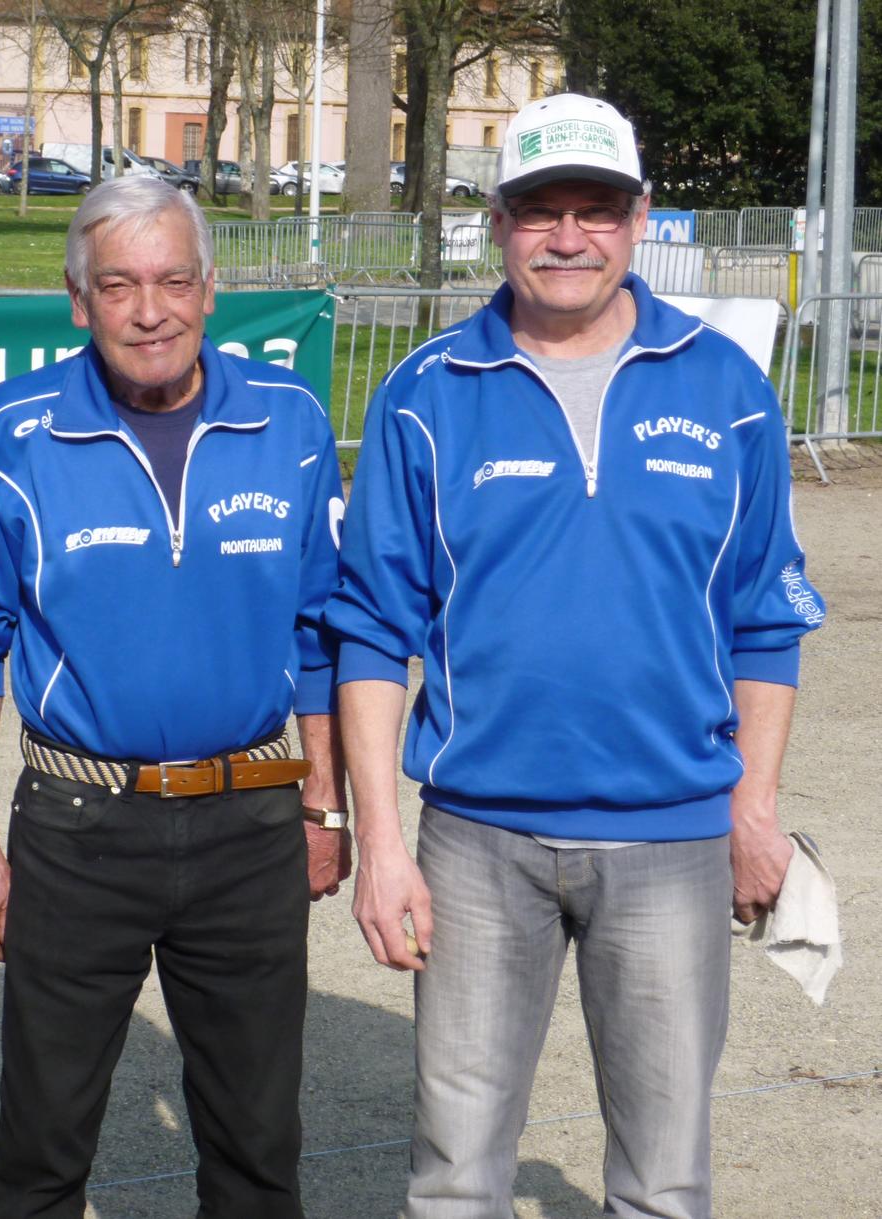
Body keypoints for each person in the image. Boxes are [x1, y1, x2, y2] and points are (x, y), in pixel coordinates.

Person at [325, 93, 826, 1218]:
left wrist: (754, 814)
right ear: (497, 224)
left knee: (663, 1178)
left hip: (672, 844)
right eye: (538, 209)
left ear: (639, 218)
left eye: (593, 209)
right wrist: (383, 847)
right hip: (474, 844)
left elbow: (766, 620)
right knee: (455, 1175)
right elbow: (368, 631)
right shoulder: (425, 397)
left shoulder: (727, 390)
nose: (567, 236)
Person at [0, 175, 350, 1218]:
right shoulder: (10, 433)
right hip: (79, 827)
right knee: (41, 1147)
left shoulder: (289, 421)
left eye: (170, 281)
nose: (148, 309)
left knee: (257, 1149)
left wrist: (323, 806)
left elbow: (321, 634)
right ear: (79, 301)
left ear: (211, 291)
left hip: (252, 817)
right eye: (118, 285)